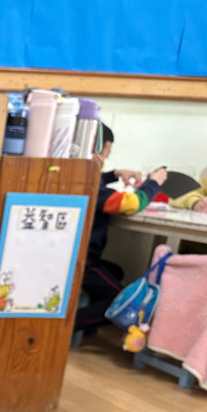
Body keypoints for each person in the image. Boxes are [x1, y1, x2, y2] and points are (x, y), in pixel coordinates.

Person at [75, 123, 167, 331]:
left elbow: (96, 182)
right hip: (82, 261)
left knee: (115, 271)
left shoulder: (77, 179)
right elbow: (132, 203)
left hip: (75, 256)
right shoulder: (93, 189)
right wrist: (153, 183)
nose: (104, 161)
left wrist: (114, 174)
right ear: (93, 152)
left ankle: (85, 327)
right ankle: (69, 325)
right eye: (105, 155)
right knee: (120, 303)